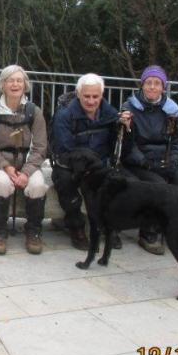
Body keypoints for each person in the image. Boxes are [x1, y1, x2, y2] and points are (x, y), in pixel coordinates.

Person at [0, 65, 50, 255]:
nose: (15, 84)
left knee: (37, 185)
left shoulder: (34, 111)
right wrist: (7, 168)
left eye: (19, 80)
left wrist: (26, 172)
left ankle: (34, 231)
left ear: (25, 84)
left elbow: (41, 146)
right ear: (2, 84)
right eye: (10, 80)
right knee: (1, 184)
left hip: (28, 163)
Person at [121, 65, 178, 255]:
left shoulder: (172, 110)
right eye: (148, 83)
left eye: (157, 83)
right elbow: (128, 143)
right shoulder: (130, 108)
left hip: (165, 159)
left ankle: (177, 230)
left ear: (163, 87)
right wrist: (144, 162)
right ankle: (149, 233)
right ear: (142, 85)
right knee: (157, 187)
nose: (152, 87)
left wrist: (173, 159)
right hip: (140, 162)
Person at [51, 73, 120, 250]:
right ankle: (76, 228)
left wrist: (127, 128)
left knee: (115, 181)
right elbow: (64, 148)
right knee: (66, 184)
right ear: (78, 94)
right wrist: (89, 164)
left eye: (95, 96)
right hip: (70, 164)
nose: (91, 101)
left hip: (98, 163)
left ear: (101, 95)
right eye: (87, 96)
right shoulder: (64, 115)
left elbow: (116, 144)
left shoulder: (110, 113)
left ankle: (108, 226)